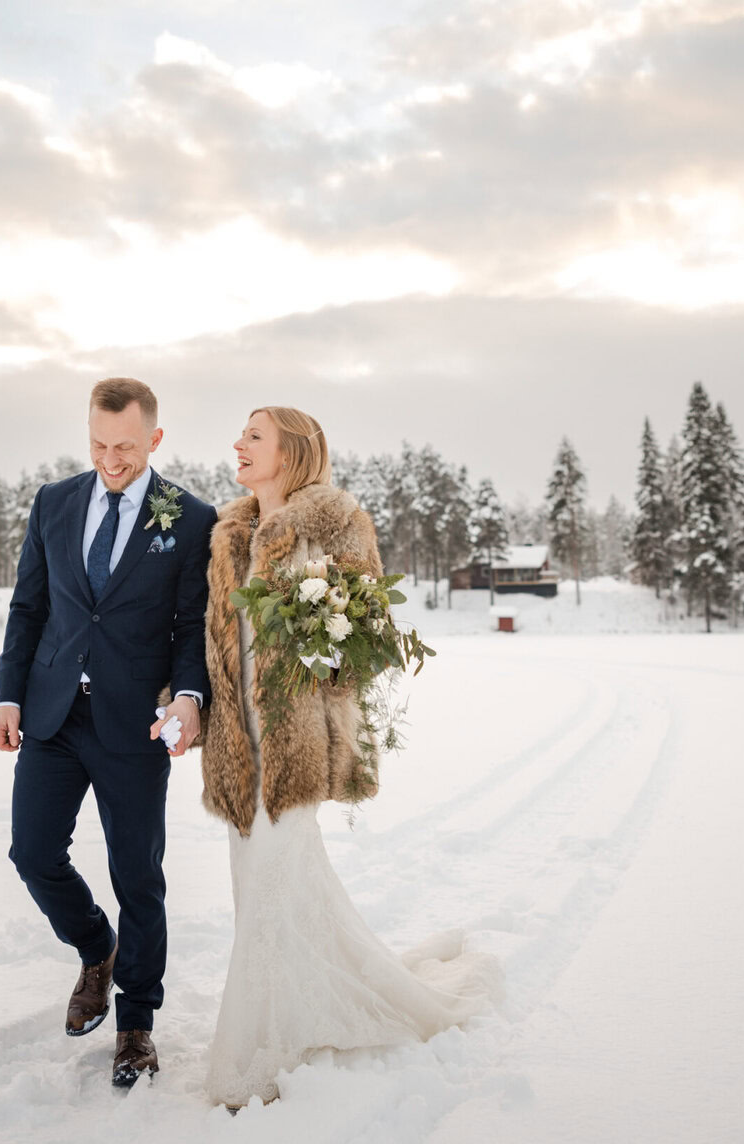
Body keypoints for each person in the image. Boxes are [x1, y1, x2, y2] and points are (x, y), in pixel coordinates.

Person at [197, 405, 502, 1109]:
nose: (237, 446)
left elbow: (370, 639)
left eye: (253, 436)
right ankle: (305, 1008)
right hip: (234, 742)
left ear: (292, 451)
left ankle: (250, 1060)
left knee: (274, 885)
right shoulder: (226, 534)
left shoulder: (334, 521)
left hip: (297, 740)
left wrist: (318, 632)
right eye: (240, 435)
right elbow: (209, 635)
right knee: (265, 893)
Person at [0, 377, 217, 1088]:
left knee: (138, 877)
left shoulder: (190, 517)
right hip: (53, 713)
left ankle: (136, 1025)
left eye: (123, 446)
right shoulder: (54, 502)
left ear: (153, 438)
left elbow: (190, 630)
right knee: (32, 853)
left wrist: (187, 698)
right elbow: (29, 607)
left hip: (133, 726)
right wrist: (7, 696)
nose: (109, 459)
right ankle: (97, 948)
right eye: (96, 443)